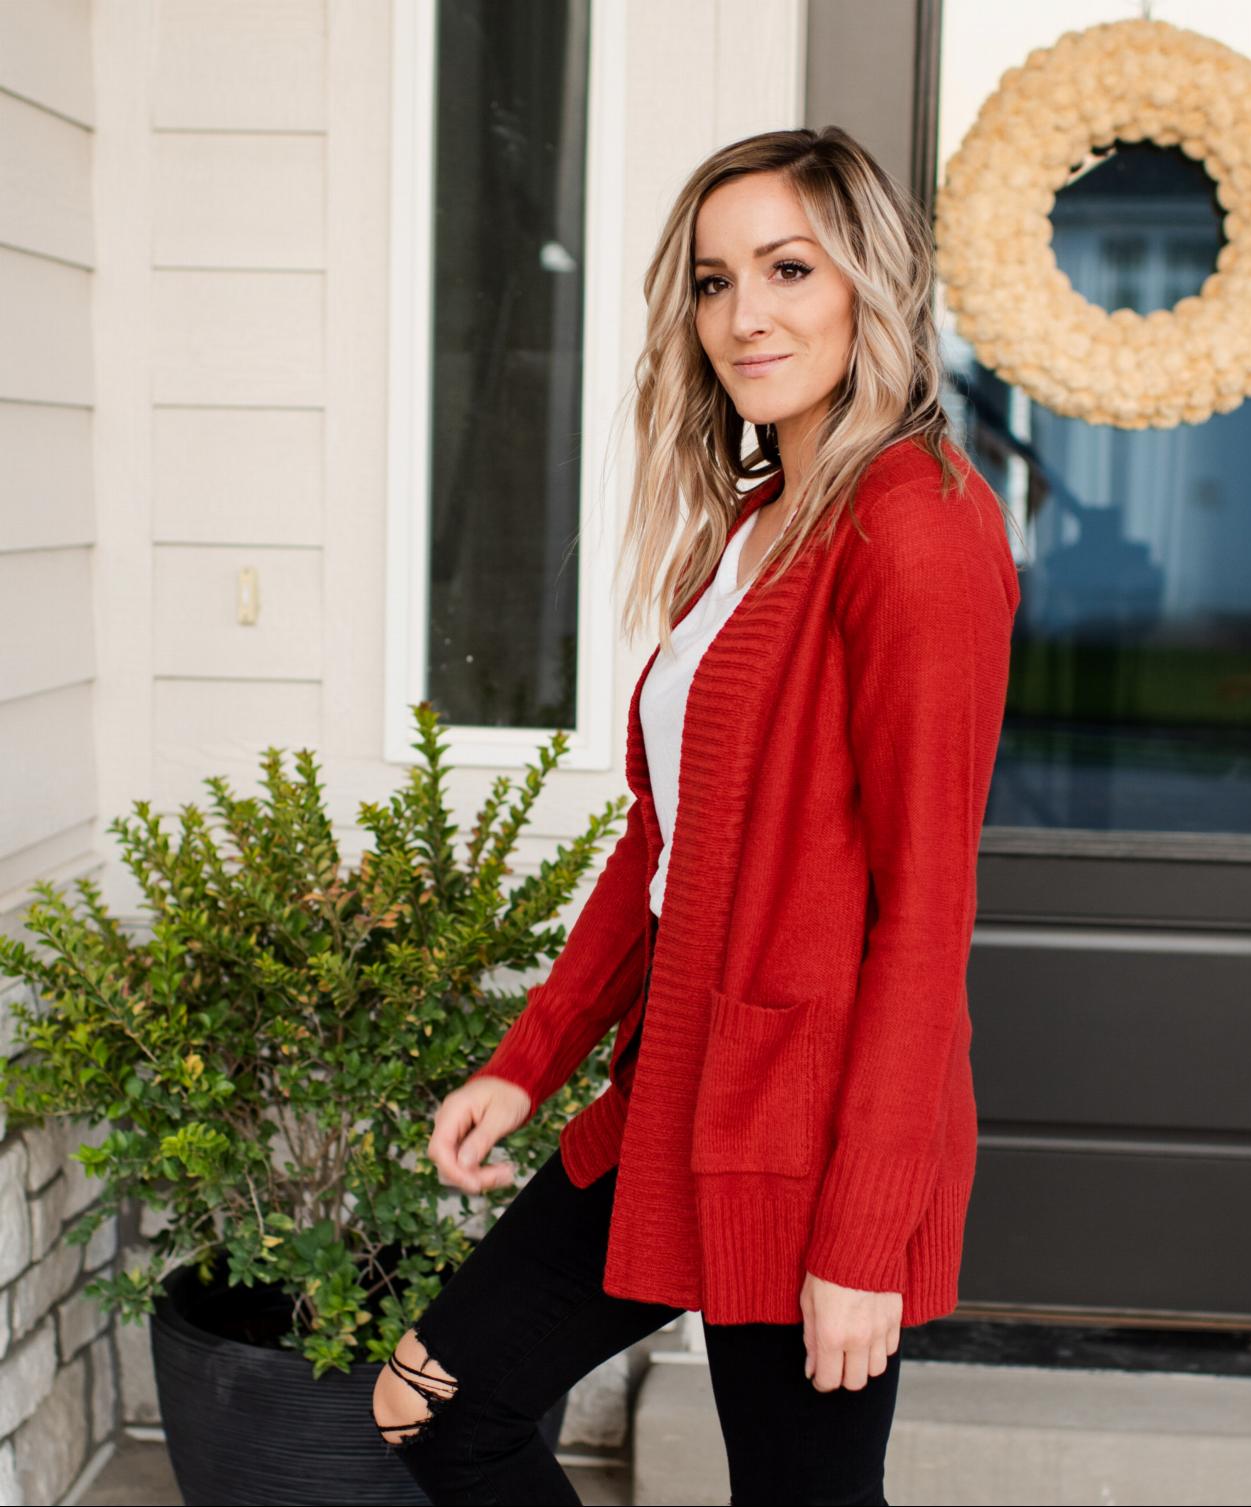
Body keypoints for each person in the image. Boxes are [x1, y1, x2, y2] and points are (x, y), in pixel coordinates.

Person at [370, 124, 1020, 1506]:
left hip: (804, 1137)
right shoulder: (759, 520)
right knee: (433, 1405)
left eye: (789, 267)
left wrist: (861, 1237)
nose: (747, 314)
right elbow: (668, 844)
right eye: (715, 281)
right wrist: (528, 1060)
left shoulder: (918, 525)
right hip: (674, 1094)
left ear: (869, 283)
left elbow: (925, 920)